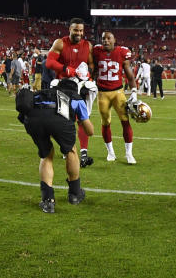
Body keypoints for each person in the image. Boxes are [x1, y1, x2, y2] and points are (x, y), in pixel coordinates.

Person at [18, 77, 93, 213]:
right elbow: (90, 131)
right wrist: (79, 121)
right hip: (59, 121)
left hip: (32, 119)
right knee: (71, 151)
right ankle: (75, 194)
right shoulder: (75, 97)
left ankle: (48, 200)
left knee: (46, 155)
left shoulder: (44, 92)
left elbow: (24, 113)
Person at [45, 18, 96, 167]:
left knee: (83, 119)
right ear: (70, 29)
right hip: (64, 86)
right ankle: (67, 148)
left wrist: (88, 72)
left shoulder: (87, 45)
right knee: (65, 119)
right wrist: (66, 69)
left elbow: (91, 63)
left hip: (81, 86)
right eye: (76, 30)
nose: (78, 33)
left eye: (80, 30)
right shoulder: (60, 43)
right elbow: (49, 62)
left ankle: (84, 152)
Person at [92, 30, 138, 164]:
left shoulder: (122, 52)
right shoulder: (96, 51)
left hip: (118, 93)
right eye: (103, 38)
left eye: (108, 38)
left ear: (114, 40)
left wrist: (134, 90)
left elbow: (129, 74)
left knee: (125, 121)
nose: (105, 40)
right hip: (102, 93)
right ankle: (110, 152)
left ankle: (129, 153)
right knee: (105, 123)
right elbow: (93, 69)